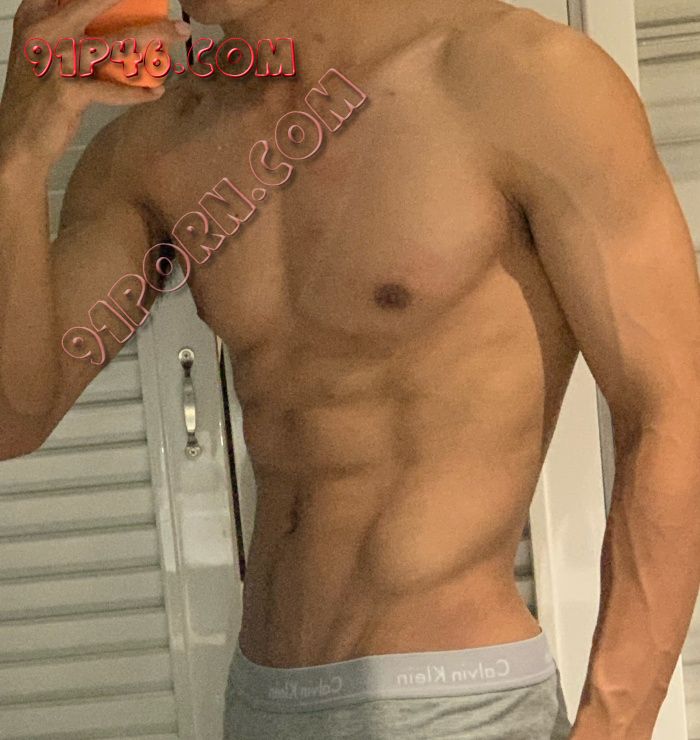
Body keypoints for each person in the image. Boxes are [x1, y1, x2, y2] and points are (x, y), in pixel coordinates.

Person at [1, 0, 699, 737]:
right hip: (262, 699)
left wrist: (616, 726)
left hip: (455, 699)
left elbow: (673, 410)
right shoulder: (155, 143)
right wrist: (16, 159)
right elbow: (15, 418)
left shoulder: (523, 81)